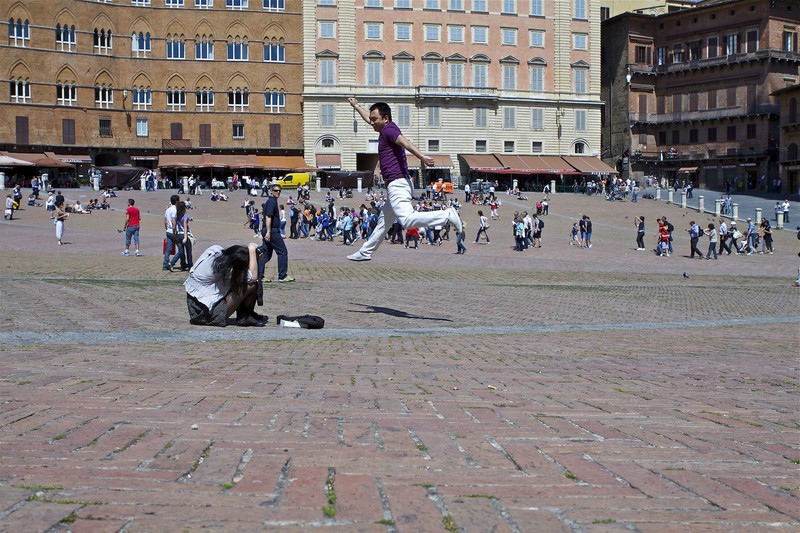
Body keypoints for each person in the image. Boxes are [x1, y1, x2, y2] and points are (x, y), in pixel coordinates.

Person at [345, 98, 462, 261]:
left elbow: (405, 142)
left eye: (375, 119)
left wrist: (421, 156)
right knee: (383, 222)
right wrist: (356, 106)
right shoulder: (383, 129)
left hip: (397, 183)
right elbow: (367, 118)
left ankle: (447, 215)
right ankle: (365, 252)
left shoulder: (389, 130)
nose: (371, 122)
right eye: (371, 119)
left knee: (407, 220)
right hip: (398, 183)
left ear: (385, 118)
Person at [184, 243, 266, 327]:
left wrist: (249, 254)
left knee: (240, 281)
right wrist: (252, 253)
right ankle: (244, 317)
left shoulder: (216, 251)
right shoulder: (223, 269)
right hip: (204, 315)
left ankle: (246, 315)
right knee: (251, 285)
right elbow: (253, 277)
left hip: (198, 309)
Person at [258, 184, 294, 283]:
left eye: (279, 191)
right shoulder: (271, 202)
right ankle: (282, 276)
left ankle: (259, 276)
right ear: (271, 191)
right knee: (282, 252)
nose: (278, 192)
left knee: (266, 255)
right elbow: (268, 217)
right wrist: (269, 232)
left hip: (269, 230)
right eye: (276, 190)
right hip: (272, 231)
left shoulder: (272, 201)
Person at [162, 195, 181, 271]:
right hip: (173, 232)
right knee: (181, 249)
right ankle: (172, 263)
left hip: (168, 231)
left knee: (168, 249)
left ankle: (165, 264)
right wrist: (174, 231)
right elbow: (173, 221)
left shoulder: (167, 210)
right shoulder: (174, 210)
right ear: (176, 201)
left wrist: (167, 229)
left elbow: (165, 221)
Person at [177, 201, 194, 268]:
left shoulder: (177, 216)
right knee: (188, 251)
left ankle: (183, 264)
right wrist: (185, 237)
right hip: (184, 235)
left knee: (181, 251)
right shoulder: (185, 216)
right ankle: (190, 265)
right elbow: (185, 227)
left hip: (178, 235)